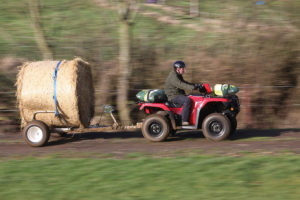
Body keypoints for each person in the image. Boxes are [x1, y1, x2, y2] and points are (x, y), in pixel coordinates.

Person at [164, 61, 206, 126]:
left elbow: (185, 83)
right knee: (187, 100)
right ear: (177, 69)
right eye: (182, 68)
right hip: (173, 96)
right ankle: (184, 121)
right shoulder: (173, 77)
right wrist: (193, 87)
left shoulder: (178, 75)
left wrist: (196, 85)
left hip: (178, 94)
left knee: (196, 96)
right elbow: (181, 85)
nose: (184, 69)